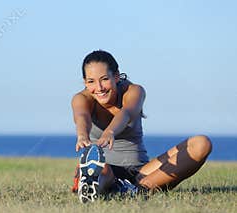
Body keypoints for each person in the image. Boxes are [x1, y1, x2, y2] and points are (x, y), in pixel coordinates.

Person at [71, 50, 212, 199]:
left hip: (142, 172)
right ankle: (93, 186)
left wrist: (110, 132)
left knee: (202, 143)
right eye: (91, 81)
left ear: (116, 76)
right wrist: (82, 135)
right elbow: (81, 116)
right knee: (103, 170)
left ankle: (138, 189)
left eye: (104, 79)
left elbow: (127, 113)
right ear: (85, 82)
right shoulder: (81, 98)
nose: (99, 87)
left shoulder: (134, 91)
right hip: (103, 167)